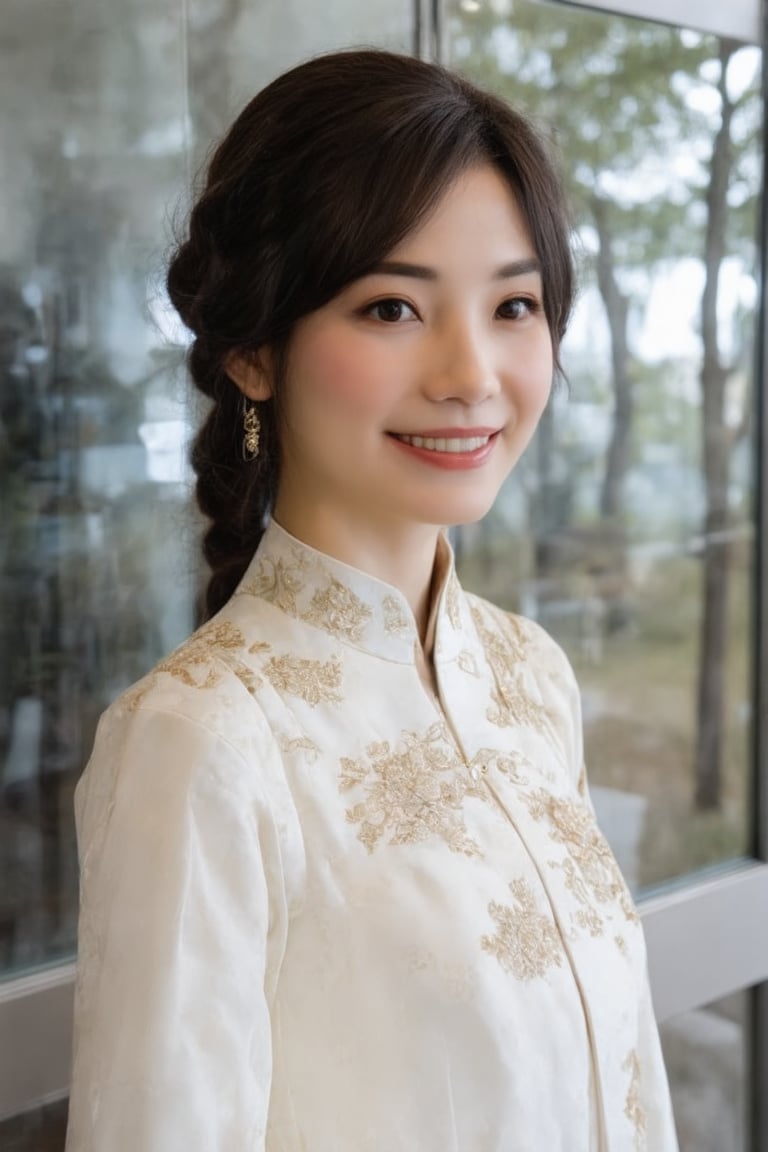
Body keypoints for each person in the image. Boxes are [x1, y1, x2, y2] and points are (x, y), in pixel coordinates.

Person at [65, 48, 679, 1152]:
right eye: (393, 306)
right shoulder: (202, 741)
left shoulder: (531, 675)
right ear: (254, 349)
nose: (472, 373)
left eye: (515, 305)